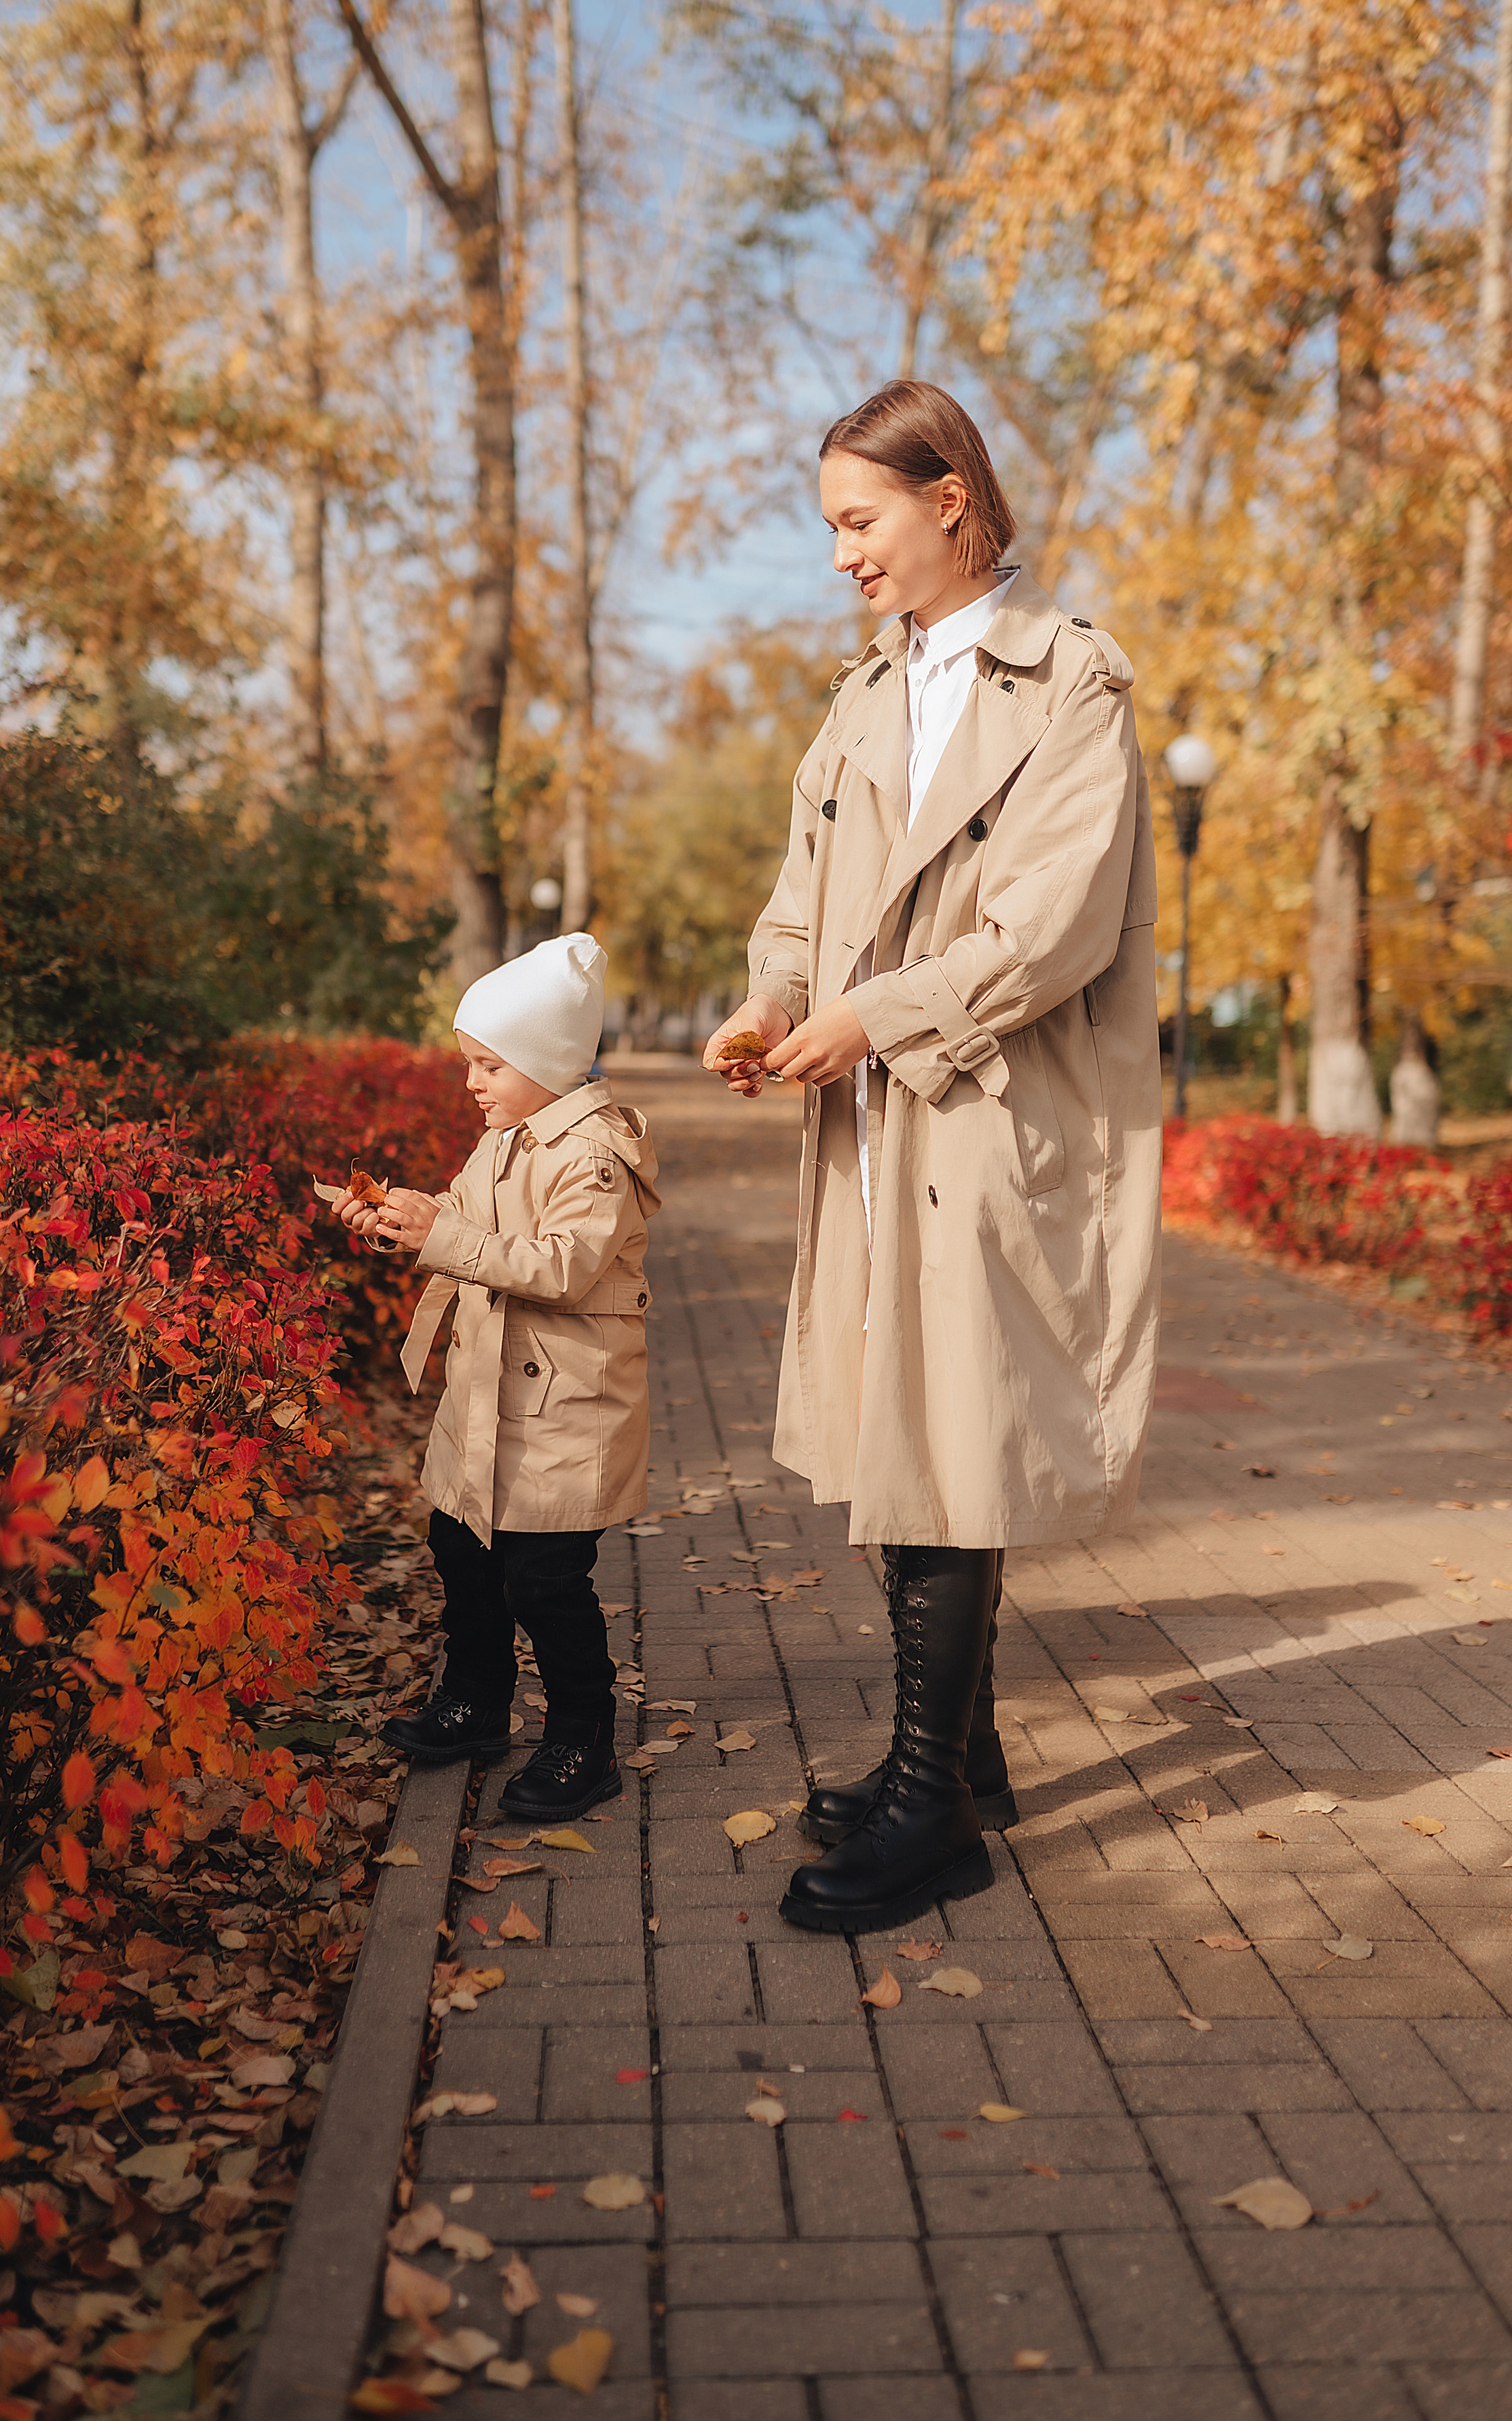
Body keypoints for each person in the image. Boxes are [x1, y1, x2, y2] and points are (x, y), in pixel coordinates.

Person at [704, 381, 1161, 1935]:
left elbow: (1051, 926)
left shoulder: (1070, 685)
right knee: (895, 1416)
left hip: (983, 1114)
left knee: (946, 1434)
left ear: (947, 496)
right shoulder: (856, 701)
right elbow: (795, 899)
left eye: (858, 518)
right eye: (830, 524)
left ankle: (932, 1809)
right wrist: (769, 1001)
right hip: (868, 1116)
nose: (840, 553)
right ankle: (954, 1754)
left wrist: (871, 1021)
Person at [327, 933, 659, 1823]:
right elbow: (463, 1218)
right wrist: (408, 1216)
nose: (471, 1081)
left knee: (545, 1580)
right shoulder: (506, 1137)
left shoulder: (593, 1158)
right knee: (462, 1553)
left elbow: (560, 1266)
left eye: (487, 1063)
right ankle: (475, 1700)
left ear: (546, 1061)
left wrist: (443, 1236)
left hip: (561, 1407)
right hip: (487, 1403)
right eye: (469, 1062)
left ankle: (582, 1735)